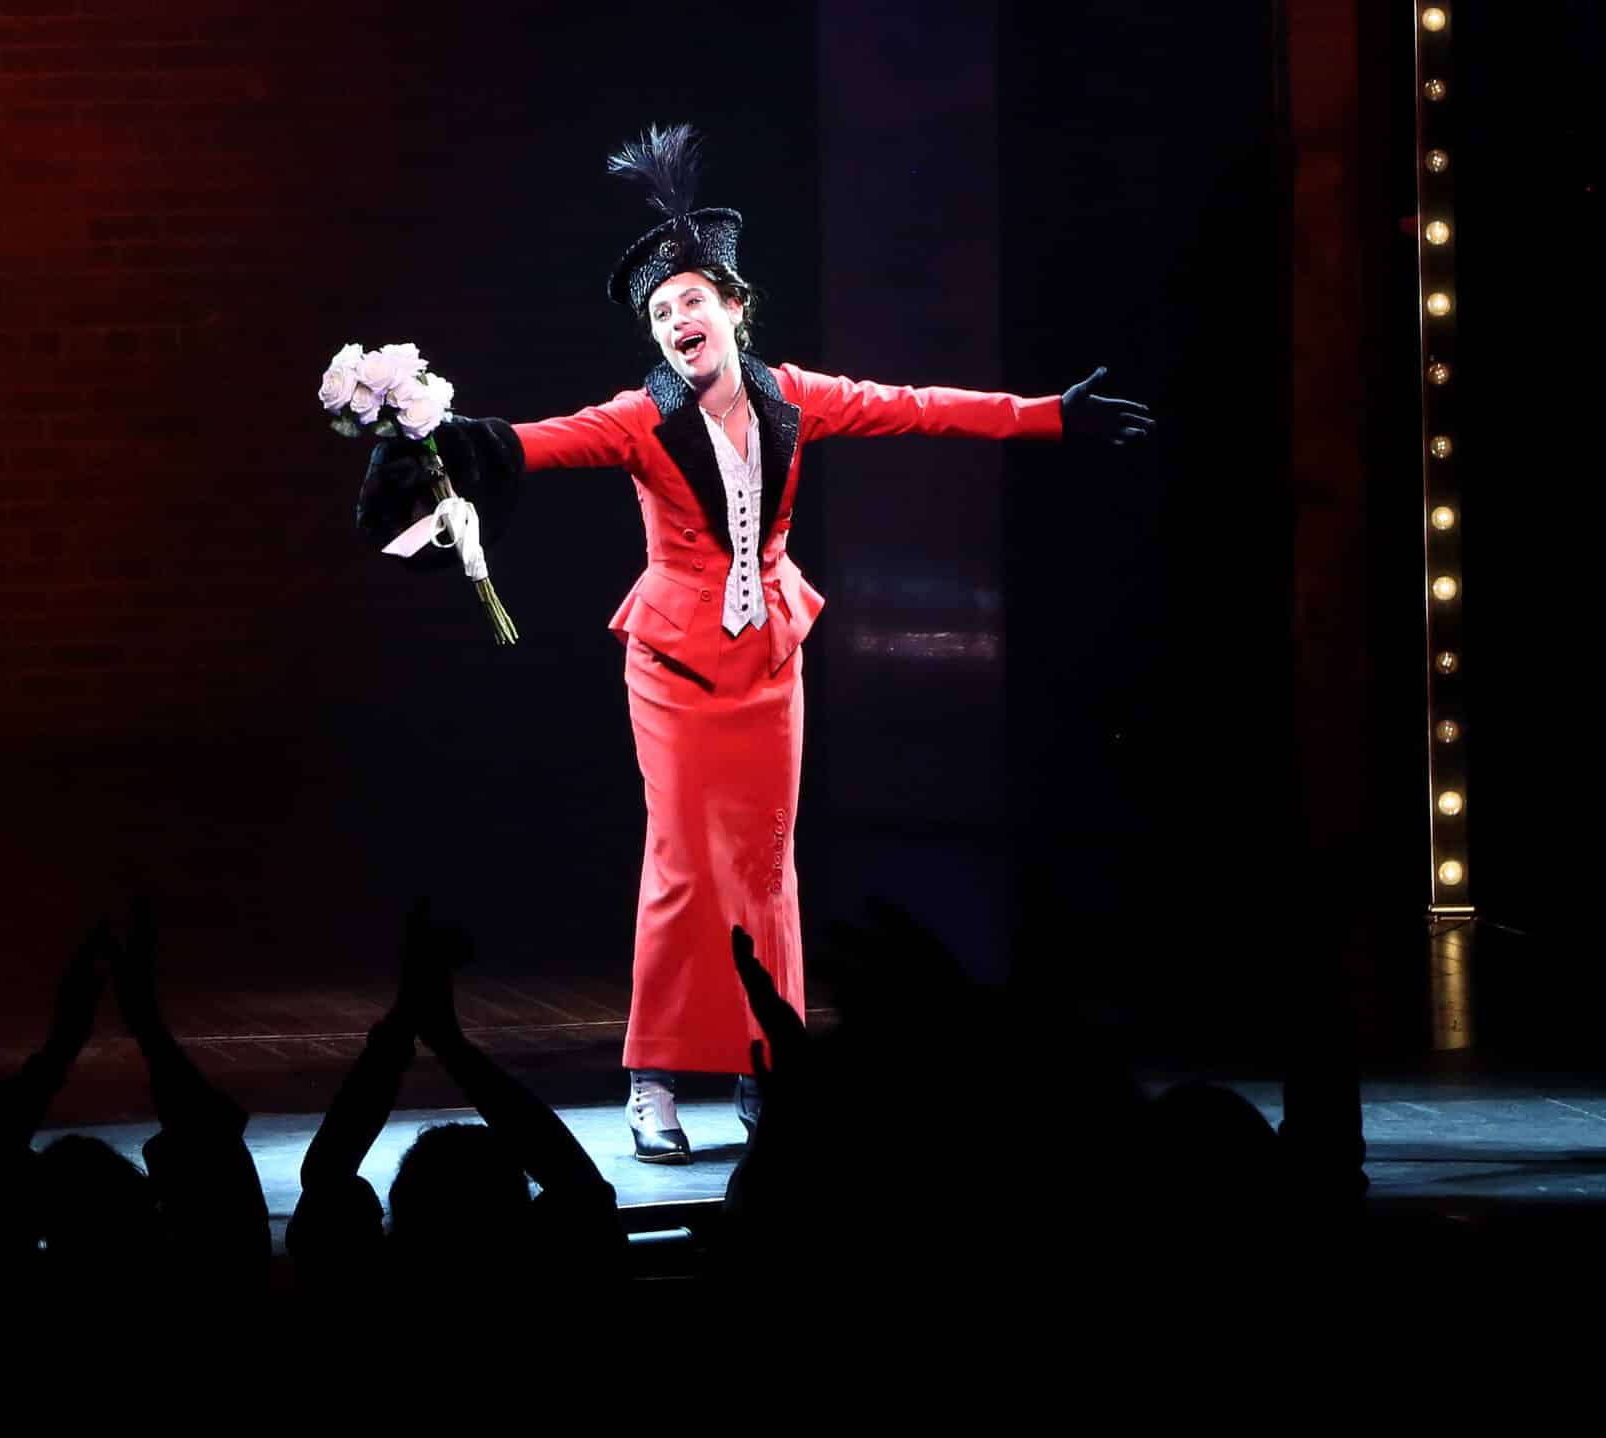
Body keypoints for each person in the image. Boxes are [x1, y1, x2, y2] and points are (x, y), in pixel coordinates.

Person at [357, 124, 1152, 1161]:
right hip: (676, 664)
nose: (675, 317)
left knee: (767, 868)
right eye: (658, 310)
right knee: (684, 866)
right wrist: (439, 438)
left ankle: (766, 1064)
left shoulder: (794, 398)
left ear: (734, 307)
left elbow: (916, 409)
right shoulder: (637, 418)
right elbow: (528, 443)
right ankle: (651, 1081)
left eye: (691, 298)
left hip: (772, 656)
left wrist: (1049, 415)